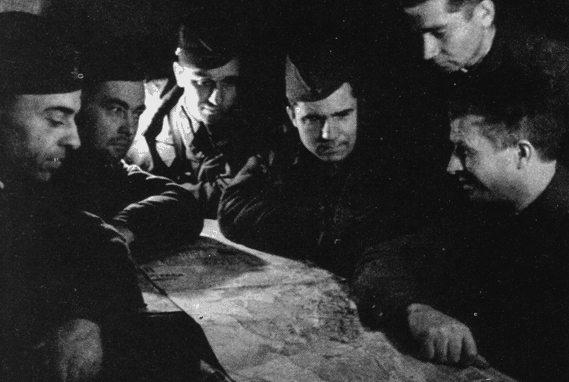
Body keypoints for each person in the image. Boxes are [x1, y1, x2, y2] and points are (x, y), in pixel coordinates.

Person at [0, 12, 227, 382]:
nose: (73, 139)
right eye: (55, 119)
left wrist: (84, 316)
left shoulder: (11, 184)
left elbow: (99, 242)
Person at [353, 75, 569, 382]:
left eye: (465, 151)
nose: (451, 166)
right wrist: (417, 311)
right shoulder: (486, 207)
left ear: (522, 154)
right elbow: (380, 260)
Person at [218, 36, 413, 279]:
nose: (328, 134)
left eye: (341, 115)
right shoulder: (283, 150)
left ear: (358, 109)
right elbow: (233, 211)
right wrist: (322, 225)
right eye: (312, 119)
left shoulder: (389, 156)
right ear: (292, 117)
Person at [398, 0, 569, 157]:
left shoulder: (554, 71)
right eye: (418, 34)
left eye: (439, 32)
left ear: (485, 14)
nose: (427, 52)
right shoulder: (415, 77)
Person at [54, 43, 203, 259]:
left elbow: (184, 203)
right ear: (79, 107)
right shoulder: (47, 168)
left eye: (136, 113)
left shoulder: (107, 168)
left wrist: (125, 226)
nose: (129, 129)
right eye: (116, 110)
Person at [129, 19, 269, 218]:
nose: (216, 98)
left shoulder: (256, 123)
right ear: (179, 74)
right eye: (204, 82)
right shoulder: (142, 121)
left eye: (228, 82)